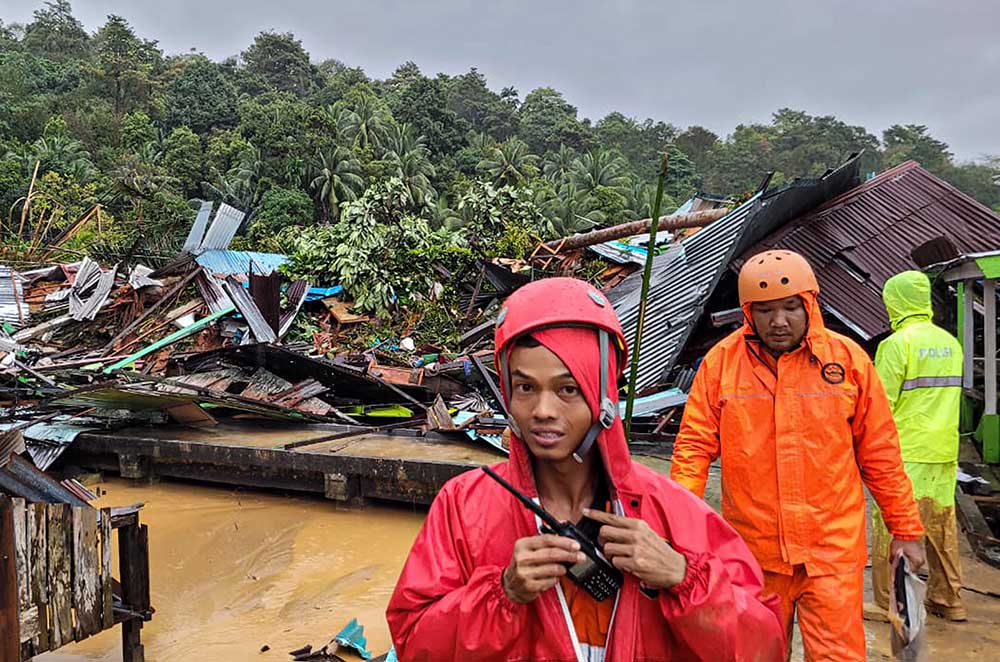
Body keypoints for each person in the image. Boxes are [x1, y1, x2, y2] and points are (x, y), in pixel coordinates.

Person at [387, 277, 785, 661]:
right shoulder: (464, 506)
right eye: (525, 388)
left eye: (568, 389)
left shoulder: (672, 512)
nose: (543, 411)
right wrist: (502, 593)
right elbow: (414, 645)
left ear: (603, 394)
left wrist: (682, 577)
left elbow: (764, 647)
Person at [671, 249, 926, 661]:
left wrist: (906, 529)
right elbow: (693, 448)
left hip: (832, 553)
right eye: (766, 310)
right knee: (752, 653)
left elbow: (880, 454)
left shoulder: (848, 362)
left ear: (810, 303)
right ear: (748, 312)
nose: (779, 322)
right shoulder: (721, 364)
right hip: (754, 553)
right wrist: (680, 529)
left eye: (791, 307)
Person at [873, 270, 966, 621]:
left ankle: (889, 603)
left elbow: (879, 406)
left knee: (893, 526)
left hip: (905, 451)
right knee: (941, 525)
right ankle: (949, 600)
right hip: (944, 449)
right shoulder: (950, 343)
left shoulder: (897, 344)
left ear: (894, 302)